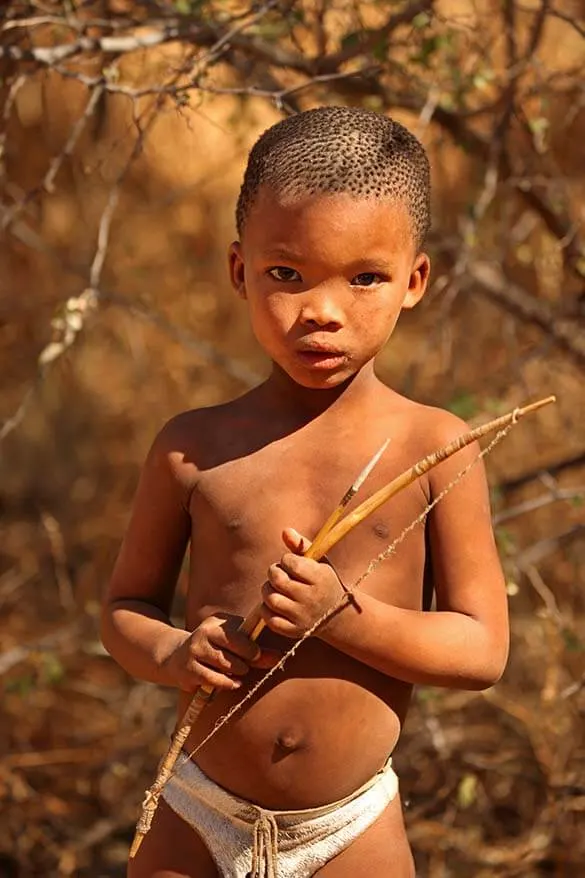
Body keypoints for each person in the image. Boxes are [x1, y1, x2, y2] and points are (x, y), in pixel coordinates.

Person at [101, 106, 509, 878]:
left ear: (413, 280)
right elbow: (124, 611)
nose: (321, 312)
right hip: (197, 810)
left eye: (364, 278)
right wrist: (176, 652)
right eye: (285, 274)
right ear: (238, 270)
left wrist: (339, 618)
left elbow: (480, 650)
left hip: (349, 828)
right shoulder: (193, 447)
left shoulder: (432, 446)